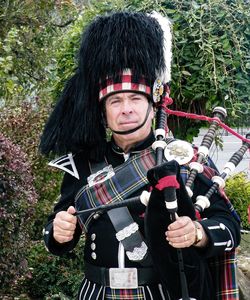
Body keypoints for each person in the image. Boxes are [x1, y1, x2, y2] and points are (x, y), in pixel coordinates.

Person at [40, 11, 241, 300]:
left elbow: (229, 224)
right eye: (116, 101)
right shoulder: (82, 163)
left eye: (135, 98)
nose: (126, 109)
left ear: (152, 104)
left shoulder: (185, 157)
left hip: (159, 293)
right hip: (97, 293)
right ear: (103, 110)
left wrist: (199, 233)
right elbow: (56, 228)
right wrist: (58, 232)